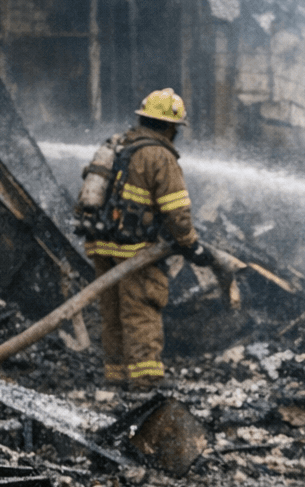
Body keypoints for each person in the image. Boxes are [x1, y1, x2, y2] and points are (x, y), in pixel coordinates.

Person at [80, 89, 212, 389]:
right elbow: (177, 211)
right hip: (136, 250)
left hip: (102, 243)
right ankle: (146, 381)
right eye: (176, 128)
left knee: (112, 313)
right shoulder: (160, 156)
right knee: (140, 312)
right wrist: (192, 245)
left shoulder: (117, 144)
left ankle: (115, 377)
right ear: (168, 126)